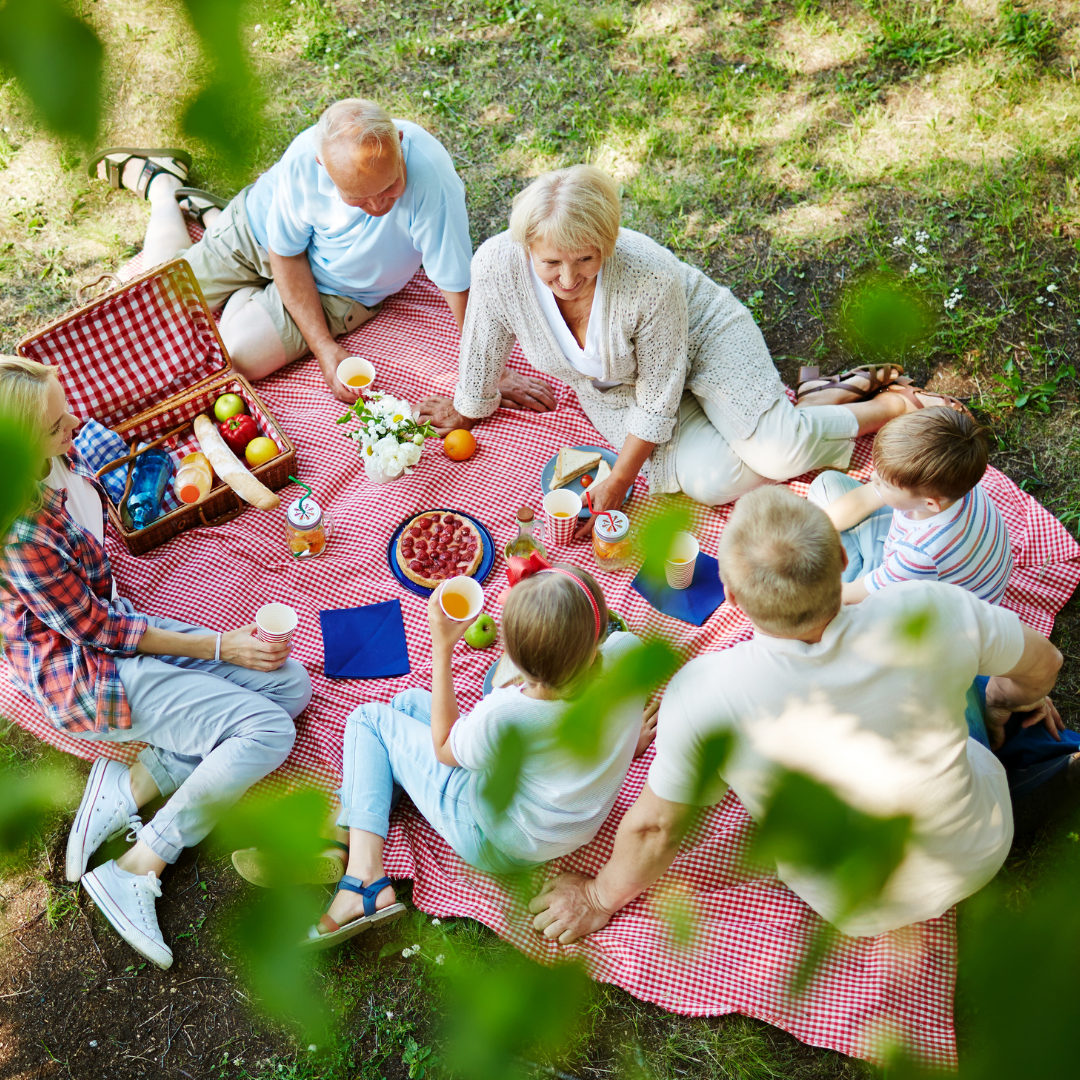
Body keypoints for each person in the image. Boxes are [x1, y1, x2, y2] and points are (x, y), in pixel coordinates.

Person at [529, 487, 1076, 944]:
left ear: (731, 596)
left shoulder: (703, 694)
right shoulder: (930, 606)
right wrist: (1002, 697)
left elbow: (655, 828)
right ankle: (1037, 760)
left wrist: (598, 897)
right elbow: (1045, 663)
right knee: (971, 677)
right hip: (980, 842)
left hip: (859, 904)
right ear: (842, 560)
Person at [418, 165, 966, 539]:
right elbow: (483, 342)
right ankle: (799, 408)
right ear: (527, 248)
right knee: (713, 482)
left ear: (608, 243)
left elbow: (660, 391)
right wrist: (470, 407)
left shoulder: (648, 272)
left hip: (705, 339)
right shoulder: (497, 266)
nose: (568, 279)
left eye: (585, 260)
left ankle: (890, 405)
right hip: (619, 386)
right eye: (551, 264)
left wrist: (620, 478)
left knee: (778, 451)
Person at [0, 358, 311, 970]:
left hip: (112, 629)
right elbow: (101, 631)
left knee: (290, 683)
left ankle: (135, 781)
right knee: (269, 729)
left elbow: (116, 457)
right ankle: (140, 864)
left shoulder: (49, 456)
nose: (74, 427)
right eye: (58, 425)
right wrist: (223, 646)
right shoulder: (20, 536)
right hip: (85, 674)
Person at [87, 99, 554, 411]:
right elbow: (285, 255)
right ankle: (164, 189)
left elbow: (458, 287)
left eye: (391, 186)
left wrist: (487, 371)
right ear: (322, 168)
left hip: (341, 288)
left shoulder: (433, 182)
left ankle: (225, 257)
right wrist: (326, 349)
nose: (379, 206)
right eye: (360, 198)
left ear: (400, 145)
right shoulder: (301, 164)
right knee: (146, 303)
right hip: (259, 230)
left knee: (235, 356)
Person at [287, 559, 656, 951]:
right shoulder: (628, 655)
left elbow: (446, 749)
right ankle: (351, 825)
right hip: (566, 825)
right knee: (410, 706)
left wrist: (442, 647)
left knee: (369, 722)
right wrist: (628, 740)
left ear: (517, 664)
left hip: (493, 834)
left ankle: (364, 879)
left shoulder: (508, 712)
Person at [807, 407, 1011, 605]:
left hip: (932, 609)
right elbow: (862, 500)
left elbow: (849, 596)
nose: (872, 477)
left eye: (885, 483)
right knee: (827, 486)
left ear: (930, 503)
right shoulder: (956, 480)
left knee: (832, 591)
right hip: (949, 567)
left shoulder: (919, 554)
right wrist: (810, 532)